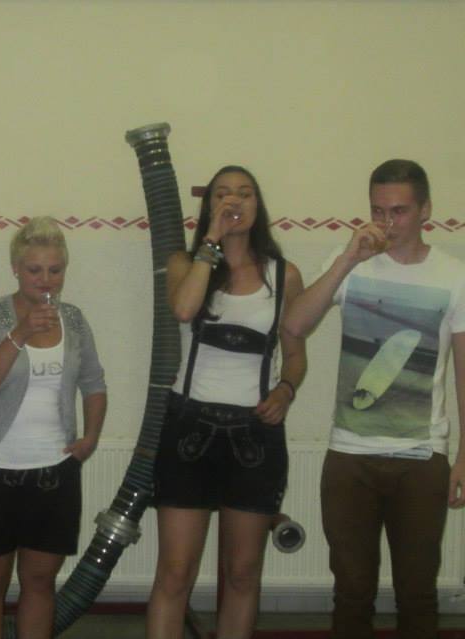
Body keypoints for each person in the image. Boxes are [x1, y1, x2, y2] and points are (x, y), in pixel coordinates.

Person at [283, 159, 465, 639]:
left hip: (422, 456)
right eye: (377, 210)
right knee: (351, 593)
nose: (387, 222)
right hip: (350, 456)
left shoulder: (454, 275)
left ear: (425, 210)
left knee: (417, 594)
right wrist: (347, 259)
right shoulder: (351, 264)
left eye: (399, 211)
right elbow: (294, 325)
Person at [146, 166, 307, 639]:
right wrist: (211, 242)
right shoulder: (185, 263)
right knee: (175, 573)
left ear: (259, 205)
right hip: (188, 428)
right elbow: (183, 309)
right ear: (209, 207)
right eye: (222, 194)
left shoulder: (285, 275)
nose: (234, 201)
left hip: (255, 433)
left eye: (244, 193)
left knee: (242, 574)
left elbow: (296, 355)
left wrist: (286, 390)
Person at [0, 216, 107, 639]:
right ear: (16, 269)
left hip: (54, 471)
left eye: (55, 270)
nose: (45, 279)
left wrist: (91, 437)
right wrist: (19, 333)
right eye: (34, 269)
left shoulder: (73, 319)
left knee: (40, 583)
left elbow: (94, 383)